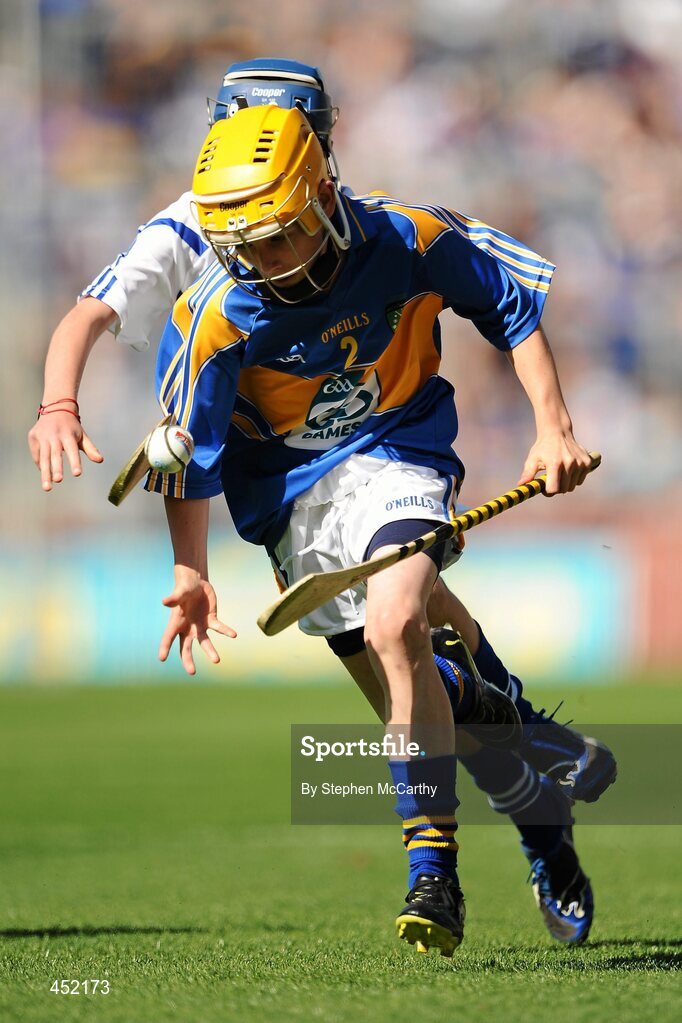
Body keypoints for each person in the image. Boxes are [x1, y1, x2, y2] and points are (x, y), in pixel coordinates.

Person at [28, 58, 614, 945]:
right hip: (290, 493)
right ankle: (536, 793)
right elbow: (186, 450)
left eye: (278, 236)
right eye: (244, 247)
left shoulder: (400, 231)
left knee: (397, 626)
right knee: (414, 695)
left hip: (397, 448)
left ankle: (433, 874)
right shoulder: (209, 287)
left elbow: (507, 300)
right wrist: (187, 566)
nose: (260, 259)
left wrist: (553, 425)